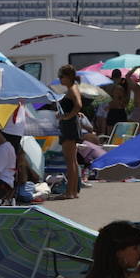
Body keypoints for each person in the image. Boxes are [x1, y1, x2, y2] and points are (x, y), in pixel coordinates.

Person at [57, 64, 83, 198]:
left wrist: (67, 116)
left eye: (61, 76)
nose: (59, 79)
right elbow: (76, 106)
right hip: (70, 125)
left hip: (68, 127)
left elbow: (78, 105)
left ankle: (70, 192)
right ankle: (73, 191)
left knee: (70, 161)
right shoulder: (73, 88)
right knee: (73, 160)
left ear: (68, 77)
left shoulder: (72, 89)